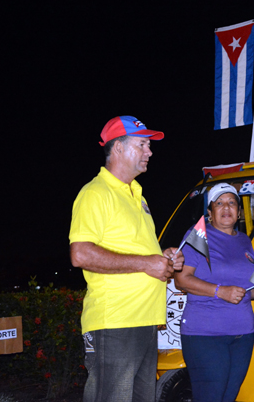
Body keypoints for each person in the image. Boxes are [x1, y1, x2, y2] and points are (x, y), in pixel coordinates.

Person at [69, 115, 184, 402]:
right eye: (142, 144)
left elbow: (136, 252)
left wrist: (163, 258)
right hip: (116, 322)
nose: (150, 151)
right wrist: (147, 264)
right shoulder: (96, 192)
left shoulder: (138, 197)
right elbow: (80, 254)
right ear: (117, 148)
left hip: (145, 321)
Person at [174, 183, 254, 402]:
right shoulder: (199, 235)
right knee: (211, 396)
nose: (226, 207)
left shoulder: (244, 240)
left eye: (231, 203)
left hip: (242, 334)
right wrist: (219, 291)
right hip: (205, 334)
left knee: (229, 397)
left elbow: (244, 285)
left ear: (238, 212)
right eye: (219, 203)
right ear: (210, 213)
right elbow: (181, 279)